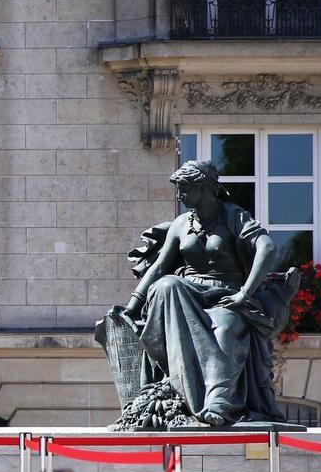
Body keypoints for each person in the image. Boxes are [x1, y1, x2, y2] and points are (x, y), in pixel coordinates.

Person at [116, 159, 298, 425]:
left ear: (205, 188)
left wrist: (245, 294)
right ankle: (181, 388)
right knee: (167, 284)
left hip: (227, 297)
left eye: (185, 188)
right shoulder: (181, 225)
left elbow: (267, 248)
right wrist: (131, 307)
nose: (179, 194)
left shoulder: (234, 217)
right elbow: (158, 268)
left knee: (225, 329)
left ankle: (218, 402)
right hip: (187, 295)